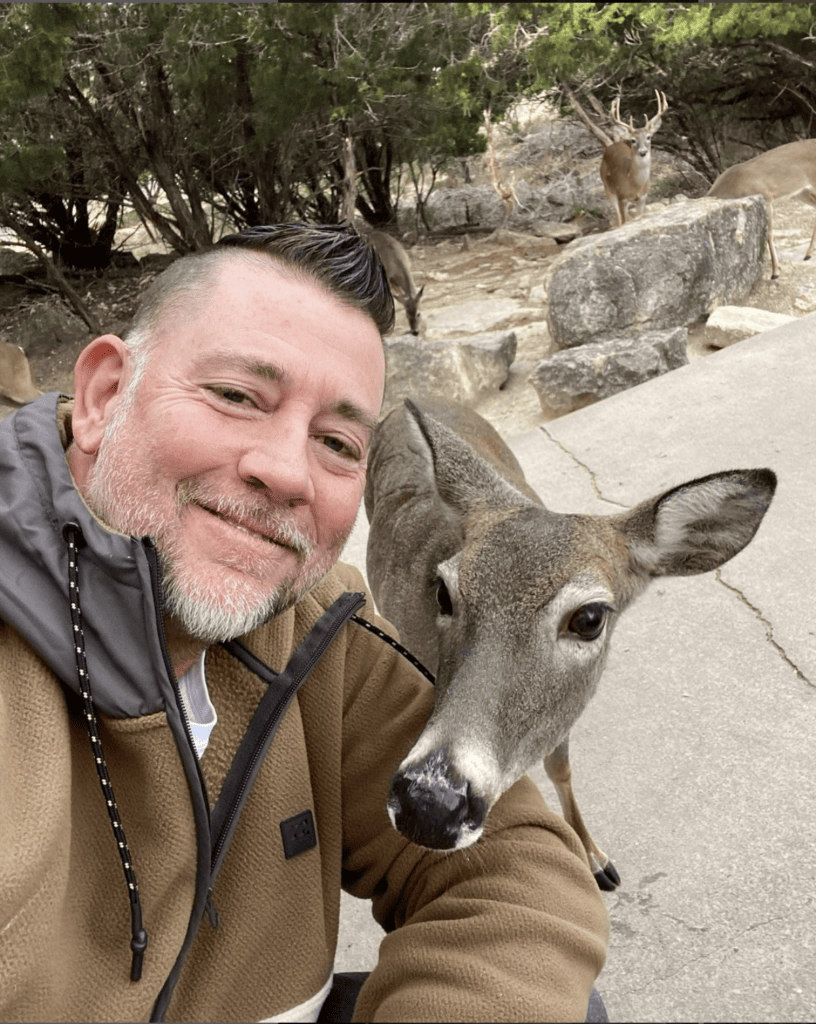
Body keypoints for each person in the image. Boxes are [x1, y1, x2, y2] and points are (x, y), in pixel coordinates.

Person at [0, 224, 609, 1022]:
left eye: (336, 441)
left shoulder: (320, 630)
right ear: (104, 395)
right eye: (236, 397)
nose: (286, 472)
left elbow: (522, 869)